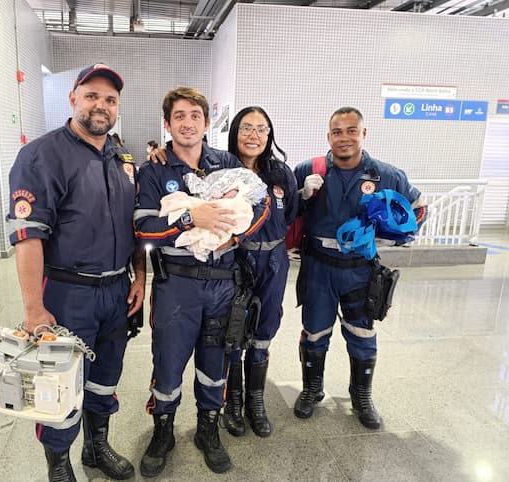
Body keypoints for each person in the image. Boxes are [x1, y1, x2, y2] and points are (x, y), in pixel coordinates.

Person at [6, 63, 146, 482]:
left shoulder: (121, 156)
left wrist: (140, 276)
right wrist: (34, 309)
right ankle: (59, 464)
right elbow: (28, 238)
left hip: (117, 291)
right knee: (58, 384)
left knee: (105, 377)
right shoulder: (42, 155)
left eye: (109, 99)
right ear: (73, 98)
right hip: (68, 294)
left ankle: (96, 445)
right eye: (91, 96)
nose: (100, 105)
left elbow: (134, 227)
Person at [134, 87, 270, 477]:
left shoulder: (226, 162)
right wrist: (193, 220)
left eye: (195, 115)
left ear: (207, 123)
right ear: (167, 124)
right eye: (179, 116)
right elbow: (144, 227)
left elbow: (257, 206)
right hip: (177, 284)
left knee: (216, 360)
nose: (188, 123)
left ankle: (208, 430)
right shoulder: (154, 170)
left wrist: (235, 236)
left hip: (223, 284)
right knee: (169, 362)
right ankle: (163, 431)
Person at [292, 106, 426, 429]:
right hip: (319, 268)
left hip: (360, 269)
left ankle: (361, 395)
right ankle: (312, 388)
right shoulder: (310, 169)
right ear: (329, 136)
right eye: (337, 132)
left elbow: (418, 210)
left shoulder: (386, 174)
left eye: (352, 131)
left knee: (362, 334)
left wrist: (393, 236)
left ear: (363, 134)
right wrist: (301, 194)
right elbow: (285, 210)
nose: (344, 138)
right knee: (314, 333)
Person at [221, 107, 299, 438]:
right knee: (235, 327)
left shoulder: (280, 173)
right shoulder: (221, 169)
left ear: (269, 135)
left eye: (261, 129)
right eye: (246, 128)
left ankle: (256, 399)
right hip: (236, 260)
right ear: (234, 132)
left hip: (275, 260)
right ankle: (234, 401)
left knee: (265, 327)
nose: (254, 136)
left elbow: (291, 212)